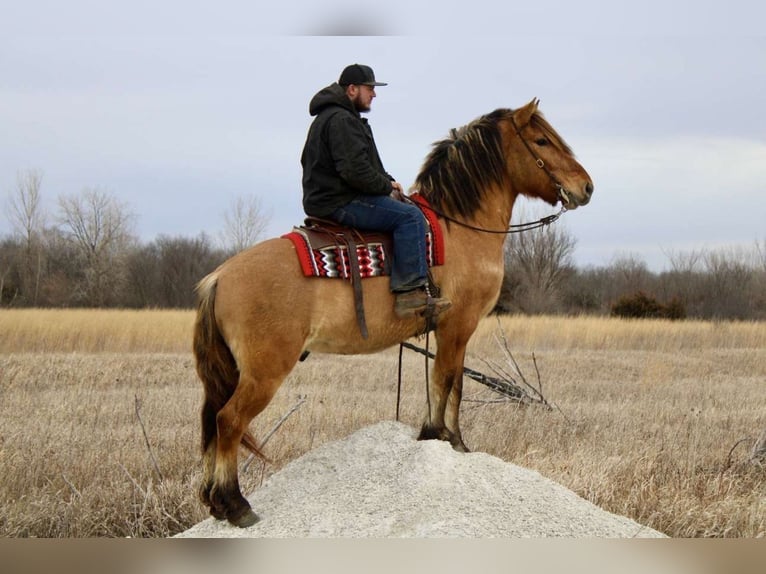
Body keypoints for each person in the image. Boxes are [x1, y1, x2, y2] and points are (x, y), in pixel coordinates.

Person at [301, 63, 451, 319]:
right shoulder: (341, 120)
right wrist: (384, 186)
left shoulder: (336, 118)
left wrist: (387, 181)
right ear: (352, 89)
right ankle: (410, 295)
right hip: (341, 200)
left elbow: (363, 164)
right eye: (369, 88)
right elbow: (355, 171)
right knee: (410, 217)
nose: (374, 94)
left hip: (330, 197)